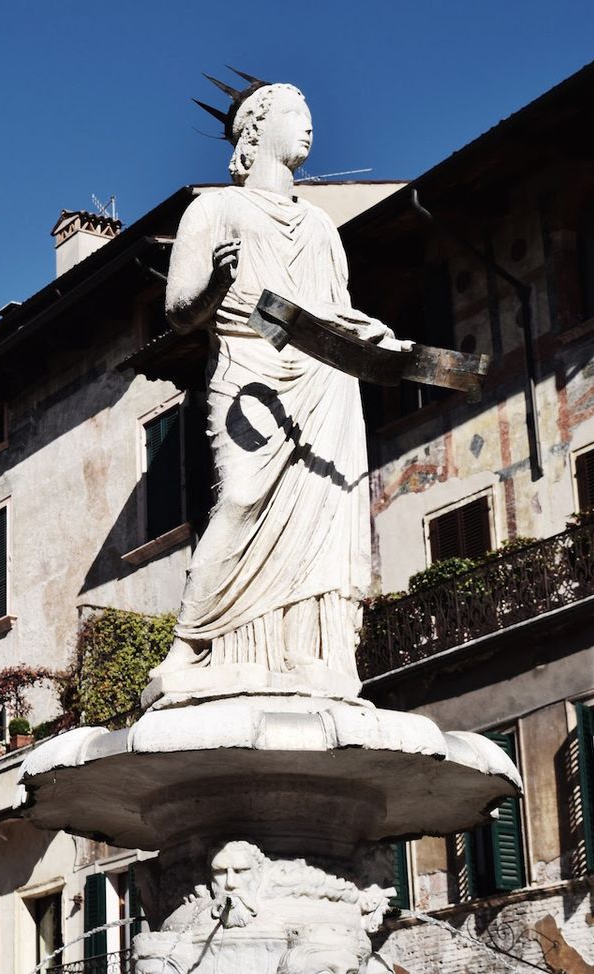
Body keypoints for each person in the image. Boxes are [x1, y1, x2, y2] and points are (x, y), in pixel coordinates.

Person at [153, 81, 410, 695]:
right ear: (254, 129)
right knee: (242, 497)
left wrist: (371, 334)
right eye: (296, 113)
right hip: (248, 362)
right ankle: (194, 642)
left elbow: (331, 312)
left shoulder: (322, 227)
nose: (310, 126)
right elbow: (178, 311)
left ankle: (309, 651)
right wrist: (216, 284)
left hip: (323, 379)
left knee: (322, 507)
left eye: (309, 114)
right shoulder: (214, 210)